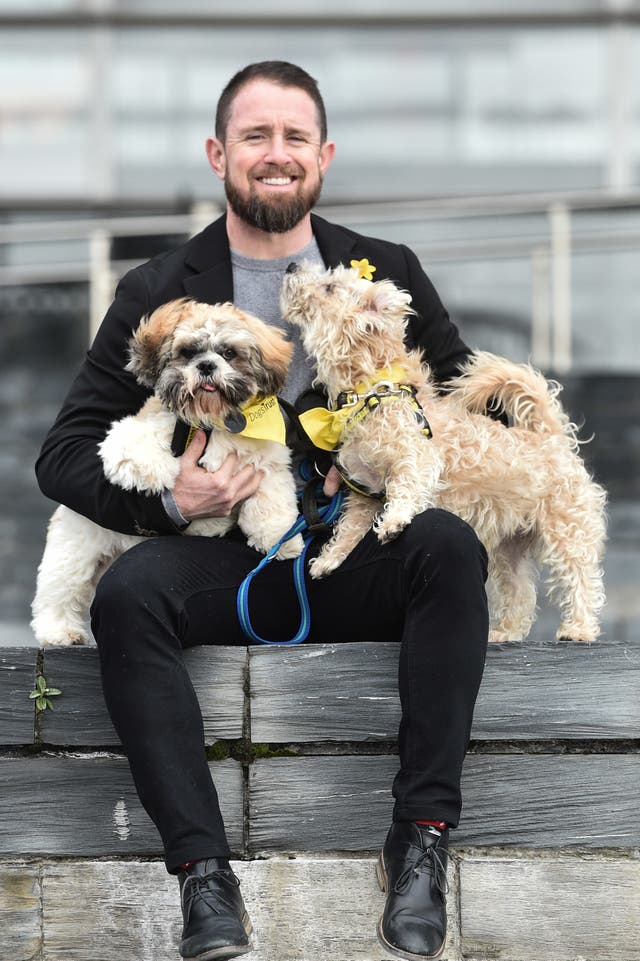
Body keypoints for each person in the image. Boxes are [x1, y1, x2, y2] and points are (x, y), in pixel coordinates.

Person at [36, 61, 489, 961]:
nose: (275, 155)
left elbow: (466, 395)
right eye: (255, 136)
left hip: (348, 549)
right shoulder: (157, 288)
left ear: (323, 155)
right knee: (128, 594)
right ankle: (205, 878)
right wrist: (170, 500)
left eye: (293, 138)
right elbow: (61, 454)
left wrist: (530, 434)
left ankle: (422, 838)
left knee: (446, 542)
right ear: (218, 153)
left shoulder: (385, 271)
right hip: (219, 558)